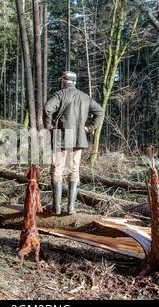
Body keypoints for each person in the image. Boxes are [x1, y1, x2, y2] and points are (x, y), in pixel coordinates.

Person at [43, 71, 104, 215]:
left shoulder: (60, 94)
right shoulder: (85, 97)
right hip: (78, 139)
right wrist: (89, 128)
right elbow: (100, 112)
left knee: (57, 171)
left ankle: (56, 208)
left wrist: (49, 127)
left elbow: (47, 109)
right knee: (74, 171)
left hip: (61, 138)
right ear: (74, 82)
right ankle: (71, 208)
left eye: (62, 79)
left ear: (64, 80)